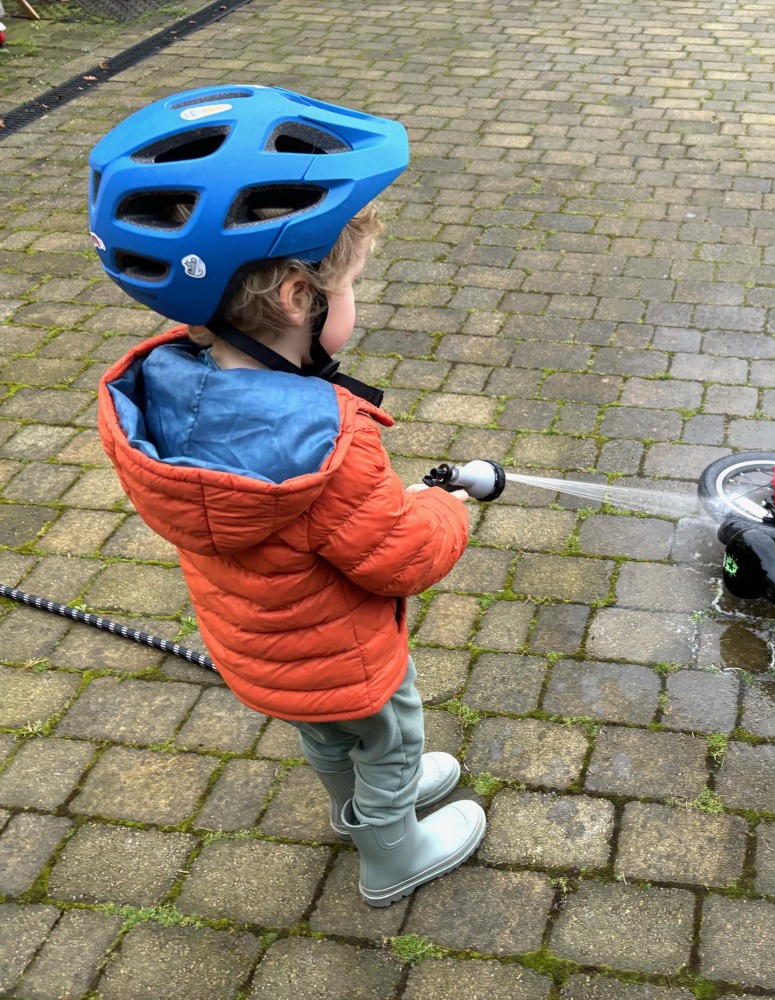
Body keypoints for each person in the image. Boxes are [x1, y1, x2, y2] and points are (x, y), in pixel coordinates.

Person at [90, 85, 485, 907]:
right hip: (343, 653)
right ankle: (391, 850)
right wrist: (447, 509)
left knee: (326, 734)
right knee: (390, 740)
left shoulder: (160, 392)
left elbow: (322, 530)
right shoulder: (326, 446)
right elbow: (401, 557)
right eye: (348, 290)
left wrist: (388, 503)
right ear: (297, 302)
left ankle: (354, 811)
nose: (355, 307)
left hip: (262, 650)